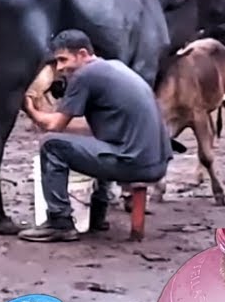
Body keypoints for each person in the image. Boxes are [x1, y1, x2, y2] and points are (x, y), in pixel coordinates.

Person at [19, 29, 173, 243]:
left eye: (63, 60)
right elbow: (88, 128)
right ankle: (98, 215)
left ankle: (59, 222)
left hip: (133, 162)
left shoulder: (85, 75)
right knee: (97, 143)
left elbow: (54, 126)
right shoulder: (114, 67)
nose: (60, 68)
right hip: (155, 162)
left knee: (51, 145)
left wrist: (30, 109)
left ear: (82, 54)